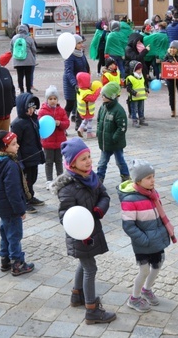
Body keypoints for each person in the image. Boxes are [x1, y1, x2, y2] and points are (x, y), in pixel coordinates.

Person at [52, 138, 117, 325]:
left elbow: (104, 195)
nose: (88, 161)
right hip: (80, 235)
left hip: (92, 229)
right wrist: (81, 229)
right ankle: (92, 310)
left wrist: (99, 210)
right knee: (90, 267)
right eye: (83, 159)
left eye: (89, 156)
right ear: (72, 164)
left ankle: (77, 294)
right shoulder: (67, 189)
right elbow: (65, 216)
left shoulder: (92, 177)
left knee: (84, 263)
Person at [118, 159, 176, 312]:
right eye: (148, 178)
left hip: (156, 240)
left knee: (158, 265)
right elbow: (128, 226)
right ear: (138, 180)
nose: (153, 180)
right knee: (144, 270)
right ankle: (134, 298)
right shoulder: (129, 200)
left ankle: (147, 289)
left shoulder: (153, 194)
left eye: (153, 176)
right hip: (143, 243)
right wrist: (145, 239)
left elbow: (159, 216)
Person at [0, 130, 35, 276]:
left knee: (5, 232)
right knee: (14, 235)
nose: (17, 146)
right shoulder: (10, 165)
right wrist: (21, 210)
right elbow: (13, 191)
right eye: (13, 144)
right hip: (11, 208)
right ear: (4, 147)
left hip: (1, 206)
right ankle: (17, 263)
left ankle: (4, 260)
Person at [11, 93, 45, 212]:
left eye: (33, 108)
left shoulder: (34, 119)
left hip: (34, 154)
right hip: (24, 158)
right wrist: (19, 160)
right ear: (22, 108)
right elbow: (16, 144)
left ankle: (30, 196)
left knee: (33, 178)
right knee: (25, 181)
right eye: (29, 109)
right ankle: (24, 200)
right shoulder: (17, 124)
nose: (31, 111)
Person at [96, 82, 130, 184]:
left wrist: (114, 138)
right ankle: (99, 179)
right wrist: (98, 132)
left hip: (115, 144)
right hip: (105, 143)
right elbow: (99, 121)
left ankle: (125, 177)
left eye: (104, 95)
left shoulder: (118, 110)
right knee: (102, 162)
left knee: (120, 161)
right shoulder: (103, 107)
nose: (102, 97)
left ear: (111, 96)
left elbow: (122, 127)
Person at [38, 86, 70, 190]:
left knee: (59, 161)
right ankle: (49, 180)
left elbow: (66, 123)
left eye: (54, 98)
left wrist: (60, 123)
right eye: (50, 99)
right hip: (48, 142)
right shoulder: (43, 111)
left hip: (60, 141)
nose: (53, 101)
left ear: (57, 99)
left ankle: (60, 179)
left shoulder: (61, 111)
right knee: (49, 161)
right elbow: (40, 125)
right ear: (47, 100)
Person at [63, 35, 90, 130]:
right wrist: (74, 84)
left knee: (81, 103)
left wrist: (87, 80)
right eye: (79, 43)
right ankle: (62, 127)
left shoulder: (81, 54)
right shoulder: (69, 55)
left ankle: (79, 125)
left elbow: (86, 67)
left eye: (81, 42)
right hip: (71, 83)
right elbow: (68, 72)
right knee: (70, 104)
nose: (81, 45)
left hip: (81, 83)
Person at [10, 24, 37, 94]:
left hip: (17, 61)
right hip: (29, 61)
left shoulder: (14, 38)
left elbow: (11, 49)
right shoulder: (29, 38)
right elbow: (34, 50)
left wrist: (15, 56)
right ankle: (28, 90)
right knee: (28, 76)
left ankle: (21, 90)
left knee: (20, 76)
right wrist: (33, 56)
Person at [125, 61, 149, 128]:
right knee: (134, 109)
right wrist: (134, 93)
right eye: (138, 69)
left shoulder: (141, 77)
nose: (140, 71)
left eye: (141, 69)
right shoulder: (130, 78)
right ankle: (134, 121)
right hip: (134, 97)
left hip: (141, 97)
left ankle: (141, 119)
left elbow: (143, 85)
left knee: (141, 109)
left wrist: (146, 90)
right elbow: (128, 88)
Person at [75, 73, 99, 139]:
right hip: (87, 110)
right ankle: (88, 132)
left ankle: (81, 129)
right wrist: (98, 91)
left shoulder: (80, 89)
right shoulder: (86, 92)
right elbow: (93, 98)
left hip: (83, 110)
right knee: (89, 120)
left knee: (86, 120)